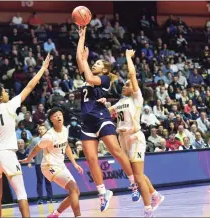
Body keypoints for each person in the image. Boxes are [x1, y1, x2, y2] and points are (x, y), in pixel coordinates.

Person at [0, 54, 52, 218]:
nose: (7, 92)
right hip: (7, 154)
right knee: (21, 193)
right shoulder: (10, 105)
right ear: (0, 97)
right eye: (4, 91)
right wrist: (42, 68)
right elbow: (29, 86)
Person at [76, 26, 140, 212]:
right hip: (86, 121)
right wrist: (82, 35)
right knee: (90, 159)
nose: (94, 64)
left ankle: (133, 183)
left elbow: (86, 70)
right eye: (94, 63)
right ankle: (103, 192)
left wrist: (86, 62)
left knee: (115, 151)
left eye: (97, 64)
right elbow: (80, 57)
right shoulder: (89, 78)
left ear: (104, 69)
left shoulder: (104, 80)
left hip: (100, 117)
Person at [101, 50, 165, 217]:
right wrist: (102, 103)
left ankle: (148, 209)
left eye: (128, 84)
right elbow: (107, 113)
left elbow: (132, 74)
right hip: (123, 140)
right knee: (138, 174)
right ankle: (155, 196)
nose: (125, 85)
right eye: (125, 84)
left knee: (137, 176)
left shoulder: (136, 99)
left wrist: (128, 57)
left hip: (135, 138)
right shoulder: (120, 102)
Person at [20, 107, 83, 218]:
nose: (58, 116)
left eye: (60, 114)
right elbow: (36, 148)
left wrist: (74, 163)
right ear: (51, 120)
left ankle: (55, 214)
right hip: (49, 166)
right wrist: (29, 159)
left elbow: (66, 146)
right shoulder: (49, 136)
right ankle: (78, 216)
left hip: (60, 165)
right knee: (72, 188)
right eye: (55, 116)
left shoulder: (65, 130)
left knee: (76, 192)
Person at [28, 124, 56, 204]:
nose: (41, 130)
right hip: (38, 163)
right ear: (38, 130)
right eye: (40, 129)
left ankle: (50, 198)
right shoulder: (35, 140)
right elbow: (31, 151)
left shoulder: (50, 139)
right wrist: (30, 161)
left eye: (43, 129)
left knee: (48, 180)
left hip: (48, 163)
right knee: (39, 181)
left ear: (46, 130)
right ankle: (40, 198)